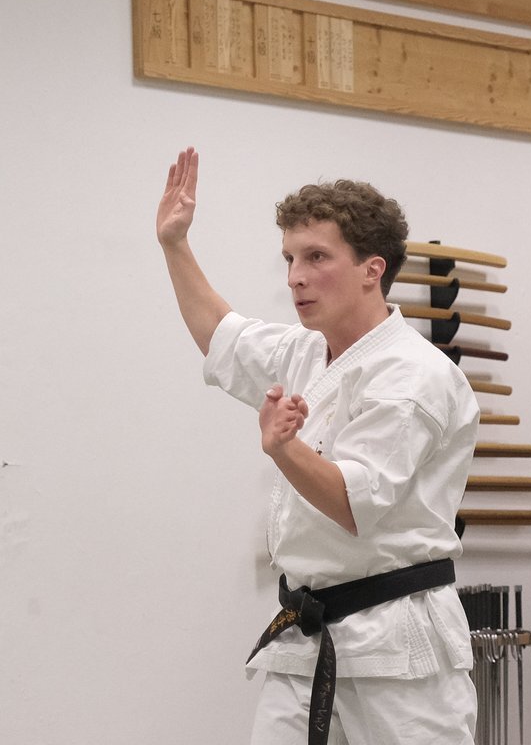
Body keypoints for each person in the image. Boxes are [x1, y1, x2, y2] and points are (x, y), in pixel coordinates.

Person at [156, 147, 479, 744]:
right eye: (289, 258)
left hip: (398, 653)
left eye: (316, 257)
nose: (295, 276)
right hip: (306, 636)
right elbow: (221, 336)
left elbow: (355, 504)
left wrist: (285, 451)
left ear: (371, 269)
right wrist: (175, 244)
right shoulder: (306, 350)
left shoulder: (414, 376)